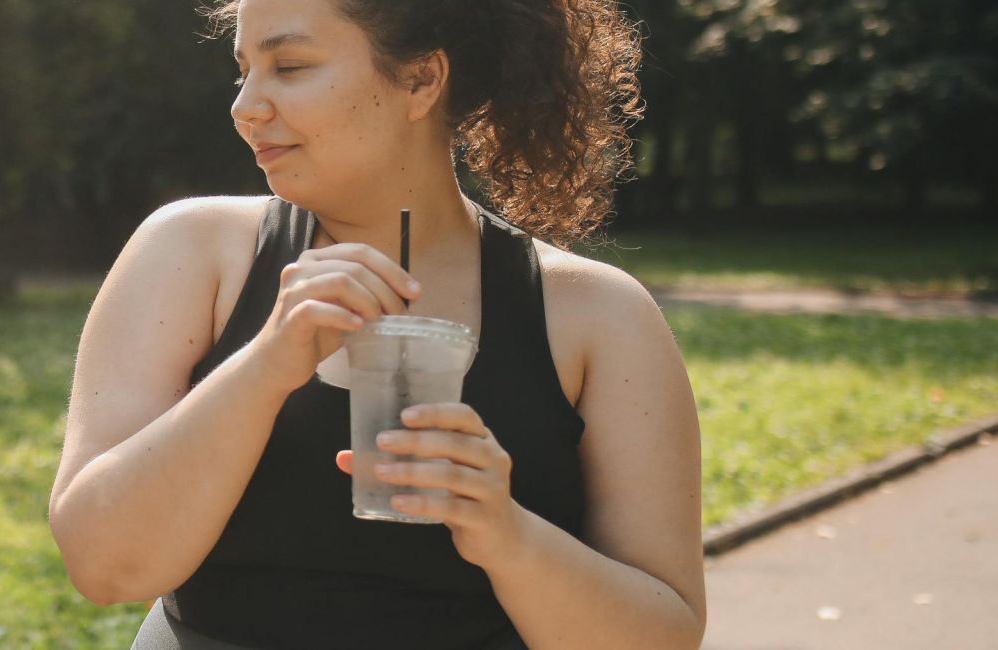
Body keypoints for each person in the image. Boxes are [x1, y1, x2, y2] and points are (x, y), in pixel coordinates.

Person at [48, 0, 704, 647]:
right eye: (242, 71)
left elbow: (664, 635)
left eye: (291, 66)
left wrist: (509, 537)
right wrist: (264, 366)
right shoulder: (190, 253)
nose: (245, 106)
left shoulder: (597, 316)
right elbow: (103, 567)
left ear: (421, 80)